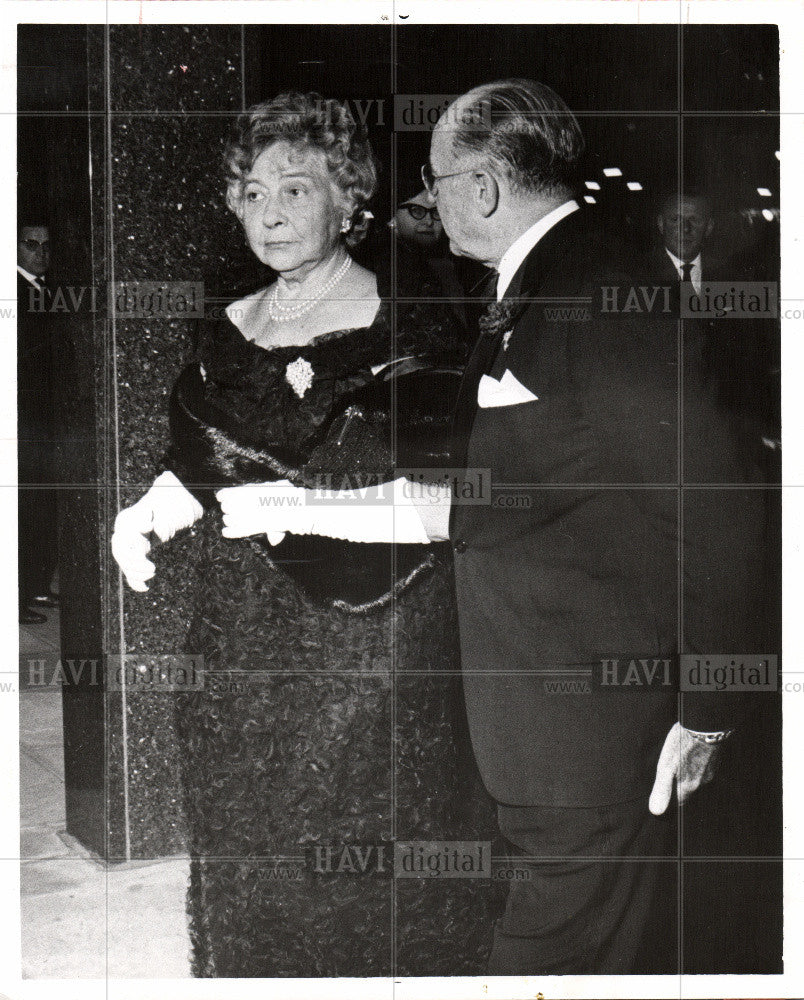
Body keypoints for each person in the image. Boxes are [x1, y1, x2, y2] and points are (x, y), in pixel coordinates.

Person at [242, 80, 771, 974]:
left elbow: (717, 499)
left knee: (545, 961)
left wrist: (709, 713)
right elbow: (528, 486)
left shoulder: (598, 290)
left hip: (592, 734)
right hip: (543, 723)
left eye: (434, 180)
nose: (425, 200)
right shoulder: (538, 279)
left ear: (481, 190)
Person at [112, 92, 496, 977]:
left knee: (367, 866)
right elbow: (208, 465)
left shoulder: (411, 325)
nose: (269, 211)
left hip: (373, 646)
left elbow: (449, 502)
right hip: (239, 644)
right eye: (250, 191)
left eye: (294, 187)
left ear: (350, 198)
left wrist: (298, 511)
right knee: (248, 853)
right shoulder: (229, 330)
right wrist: (149, 513)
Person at [17, 219, 59, 624]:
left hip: (46, 419)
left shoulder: (49, 290)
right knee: (22, 508)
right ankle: (14, 597)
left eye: (47, 246)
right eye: (31, 244)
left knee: (44, 505)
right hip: (22, 420)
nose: (41, 253)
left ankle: (35, 586)